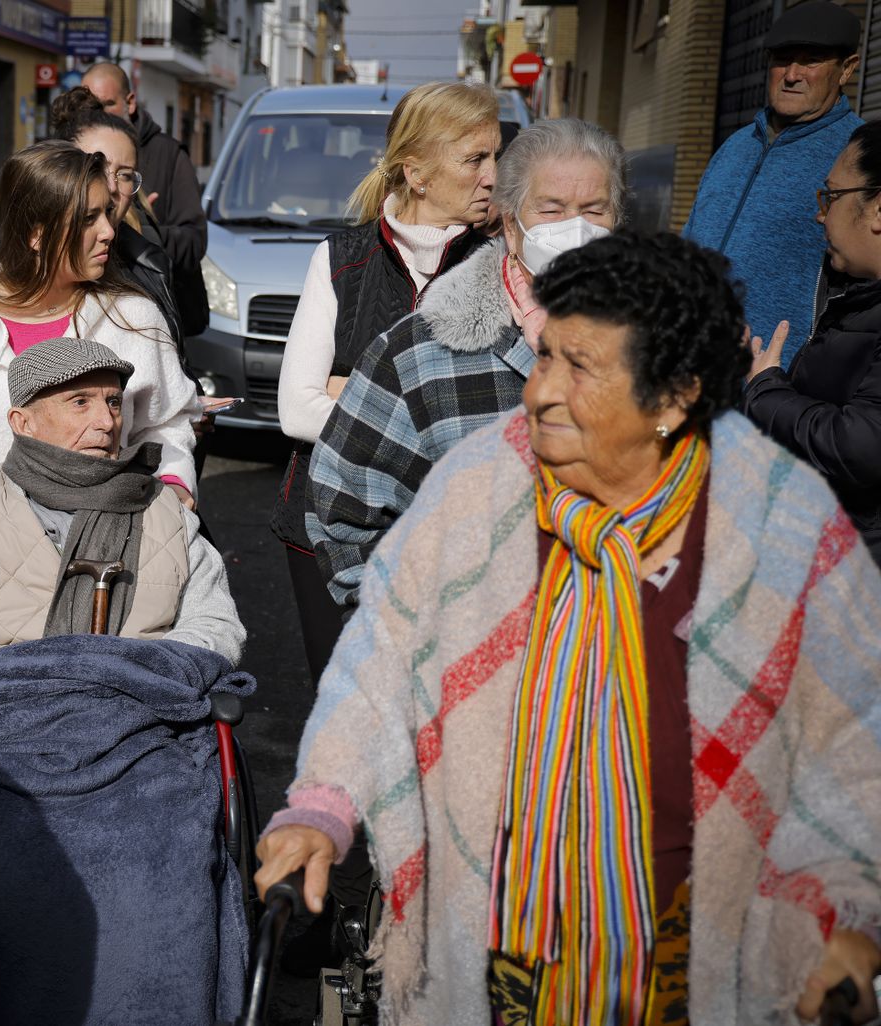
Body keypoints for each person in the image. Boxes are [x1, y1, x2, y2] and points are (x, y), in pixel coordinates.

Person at [257, 230, 881, 1023]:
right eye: (544, 355)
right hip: (498, 940)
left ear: (674, 396)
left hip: (711, 953)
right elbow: (378, 669)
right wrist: (323, 808)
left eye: (577, 366)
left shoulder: (776, 522)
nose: (539, 390)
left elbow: (856, 740)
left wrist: (847, 912)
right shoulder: (478, 488)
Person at [309, 118, 627, 616]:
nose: (576, 227)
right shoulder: (422, 353)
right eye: (551, 208)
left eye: (594, 209)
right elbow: (347, 512)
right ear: (509, 222)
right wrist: (417, 637)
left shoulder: (662, 351)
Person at [274, 80, 499, 683]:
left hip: (459, 534)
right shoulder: (341, 258)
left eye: (496, 157)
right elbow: (296, 412)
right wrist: (430, 423)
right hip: (326, 524)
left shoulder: (504, 263)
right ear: (417, 173)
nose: (493, 176)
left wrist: (356, 395)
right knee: (344, 705)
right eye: (475, 159)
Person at [0, 337, 244, 693]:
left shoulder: (167, 511)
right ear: (22, 422)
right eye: (80, 402)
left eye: (113, 402)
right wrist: (24, 678)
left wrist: (123, 676)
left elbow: (217, 629)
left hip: (142, 724)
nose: (106, 422)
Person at [0, 140, 200, 528]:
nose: (108, 231)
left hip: (105, 555)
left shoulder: (134, 318)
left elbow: (168, 421)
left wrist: (172, 483)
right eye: (88, 218)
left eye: (107, 214)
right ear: (35, 233)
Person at [683, 0, 862, 367]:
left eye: (811, 60)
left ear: (846, 69)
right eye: (782, 58)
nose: (792, 74)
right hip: (686, 371)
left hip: (776, 390)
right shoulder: (735, 146)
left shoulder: (857, 156)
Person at [744, 119, 881, 568]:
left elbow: (860, 445)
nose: (820, 214)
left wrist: (766, 391)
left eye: (832, 196)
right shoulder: (856, 297)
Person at [82, 62, 208, 336]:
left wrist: (141, 230)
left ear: (130, 102)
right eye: (89, 106)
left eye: (125, 174)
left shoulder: (169, 154)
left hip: (168, 320)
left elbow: (194, 240)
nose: (113, 186)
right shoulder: (73, 152)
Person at [49, 85, 181, 344]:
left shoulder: (149, 266)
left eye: (125, 175)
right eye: (96, 166)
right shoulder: (14, 263)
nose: (111, 187)